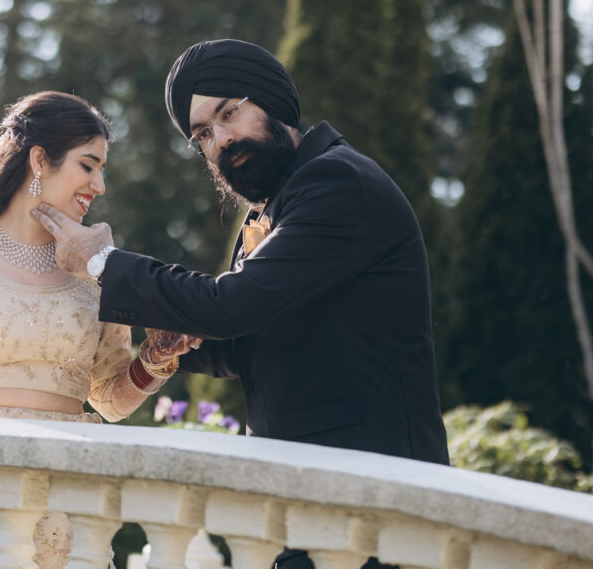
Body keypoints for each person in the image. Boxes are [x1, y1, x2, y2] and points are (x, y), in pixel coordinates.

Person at [31, 40, 448, 568]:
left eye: (229, 113)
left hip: (374, 502)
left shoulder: (338, 183)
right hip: (309, 502)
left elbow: (230, 306)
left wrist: (104, 264)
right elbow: (248, 341)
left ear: (272, 100)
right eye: (203, 134)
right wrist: (170, 346)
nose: (221, 139)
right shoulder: (273, 208)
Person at [0, 91, 177, 424]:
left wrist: (155, 360)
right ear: (40, 160)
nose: (100, 185)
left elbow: (109, 401)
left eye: (101, 170)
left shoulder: (97, 265)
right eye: (87, 166)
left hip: (70, 451)